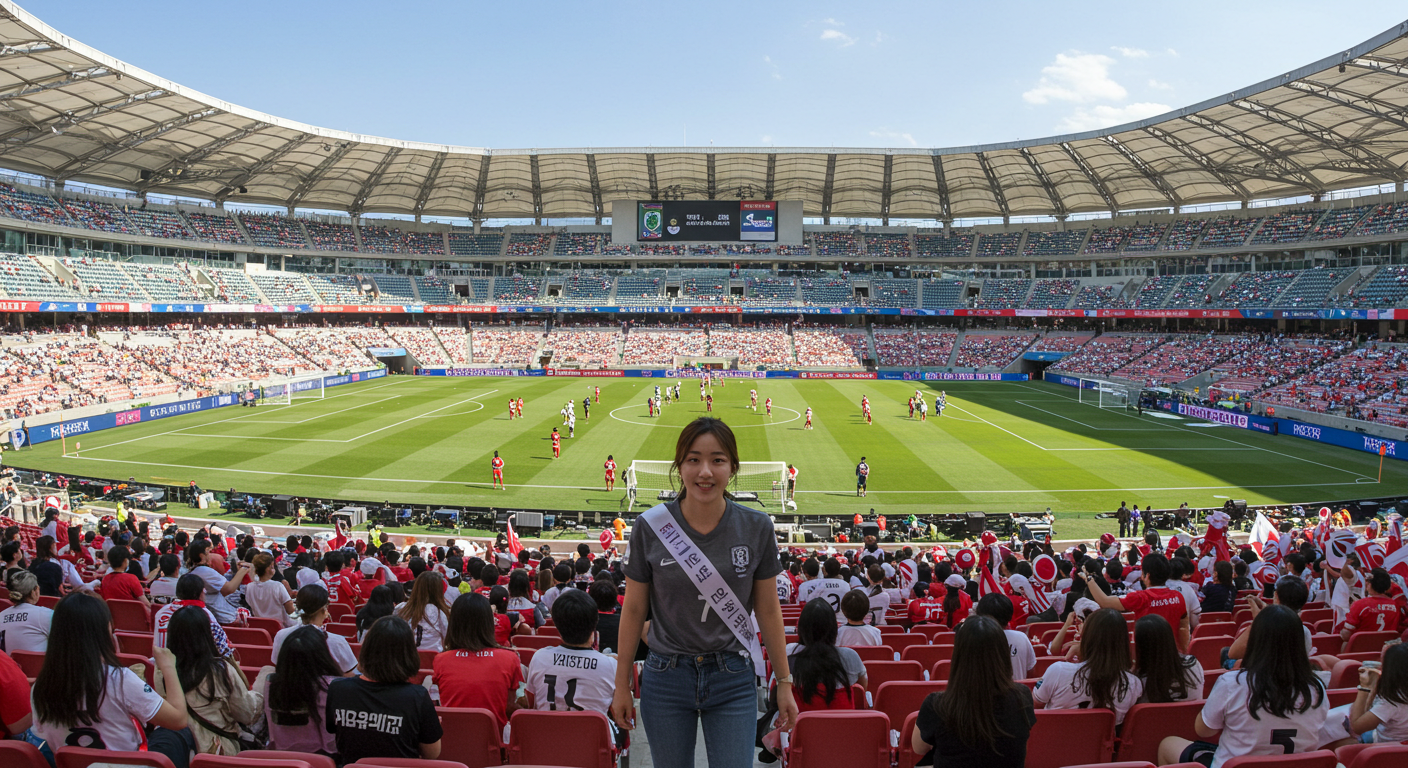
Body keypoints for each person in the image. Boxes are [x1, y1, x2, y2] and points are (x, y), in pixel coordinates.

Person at [611, 417, 796, 767]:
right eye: (693, 459)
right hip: (665, 677)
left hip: (733, 677)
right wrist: (622, 685)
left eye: (718, 460)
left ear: (733, 467)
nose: (705, 472)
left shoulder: (756, 527)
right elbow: (634, 610)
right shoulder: (650, 527)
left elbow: (769, 610)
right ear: (679, 465)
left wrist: (784, 682)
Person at [1157, 605, 1330, 767]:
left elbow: (1203, 731)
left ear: (1256, 641)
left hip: (1233, 764)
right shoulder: (1317, 689)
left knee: (1167, 744)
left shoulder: (1232, 683)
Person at [31, 593, 192, 766]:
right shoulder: (119, 679)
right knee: (179, 733)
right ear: (104, 630)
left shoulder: (40, 688)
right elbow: (179, 720)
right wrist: (168, 667)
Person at [911, 615, 1036, 768]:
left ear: (959, 654)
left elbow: (918, 748)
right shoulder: (1022, 696)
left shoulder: (937, 704)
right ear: (1003, 653)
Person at [325, 616, 442, 763]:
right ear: (408, 654)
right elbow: (432, 754)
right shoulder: (417, 697)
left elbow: (334, 734)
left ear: (367, 649)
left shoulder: (338, 689)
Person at [160, 606, 268, 755]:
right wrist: (258, 693)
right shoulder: (219, 670)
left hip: (181, 749)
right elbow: (247, 714)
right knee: (266, 674)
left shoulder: (162, 671)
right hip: (217, 751)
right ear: (205, 635)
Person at [1033, 608, 1143, 724]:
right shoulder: (1134, 684)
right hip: (1102, 742)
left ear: (1087, 637)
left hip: (1054, 740)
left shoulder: (1058, 670)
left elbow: (1035, 704)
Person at [433, 592, 526, 728]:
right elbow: (509, 706)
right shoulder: (510, 658)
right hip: (495, 745)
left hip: (451, 744)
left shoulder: (440, 660)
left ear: (454, 623)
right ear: (488, 622)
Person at [528, 588, 618, 718]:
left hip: (545, 735)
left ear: (557, 626)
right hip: (593, 737)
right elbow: (619, 711)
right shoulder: (610, 665)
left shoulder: (539, 658)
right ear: (594, 624)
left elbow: (533, 702)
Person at [1080, 552, 1190, 652]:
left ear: (1147, 575)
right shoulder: (1178, 597)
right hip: (1173, 656)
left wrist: (1089, 579)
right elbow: (1184, 628)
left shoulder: (1140, 598)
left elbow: (1104, 601)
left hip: (1147, 658)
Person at [265, 624, 341, 757]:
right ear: (321, 655)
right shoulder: (328, 687)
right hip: (319, 758)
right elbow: (330, 743)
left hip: (280, 756)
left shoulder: (271, 682)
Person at [785, 598, 867, 712]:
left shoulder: (789, 654)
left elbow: (775, 692)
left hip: (801, 728)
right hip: (844, 727)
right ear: (833, 628)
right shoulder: (851, 656)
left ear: (802, 628)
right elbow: (861, 690)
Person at [1324, 641, 1408, 747]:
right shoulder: (1393, 698)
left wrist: (1364, 687)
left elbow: (1356, 727)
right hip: (1399, 742)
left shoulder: (1392, 702)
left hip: (1389, 749)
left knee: (1335, 743)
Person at [272, 585, 358, 675]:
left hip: (291, 687)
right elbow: (349, 674)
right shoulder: (337, 641)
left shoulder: (281, 635)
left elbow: (278, 667)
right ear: (324, 609)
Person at [1132, 614, 1204, 702]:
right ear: (1170, 639)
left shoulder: (1135, 684)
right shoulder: (1193, 665)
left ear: (1140, 647)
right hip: (1191, 716)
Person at [184, 539, 250, 625]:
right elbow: (229, 589)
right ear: (201, 556)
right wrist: (243, 570)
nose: (211, 555)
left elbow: (222, 591)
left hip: (218, 615)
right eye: (208, 552)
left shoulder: (194, 571)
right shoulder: (204, 571)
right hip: (225, 618)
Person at [974, 593, 1036, 680]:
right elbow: (1030, 673)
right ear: (1010, 615)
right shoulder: (1021, 638)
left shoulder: (972, 639)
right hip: (1018, 692)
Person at [1341, 567, 1402, 641]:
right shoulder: (1396, 605)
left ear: (1370, 583)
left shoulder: (1359, 605)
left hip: (1360, 649)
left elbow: (1345, 635)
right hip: (1386, 649)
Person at [397, 572, 452, 652]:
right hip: (433, 659)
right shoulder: (440, 613)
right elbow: (447, 639)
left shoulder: (401, 608)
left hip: (408, 658)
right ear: (439, 591)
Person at [0, 571, 52, 653]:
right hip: (39, 665)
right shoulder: (45, 614)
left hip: (7, 665)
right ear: (35, 590)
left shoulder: (1, 616)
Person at [244, 552, 296, 628]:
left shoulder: (249, 587)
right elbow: (290, 610)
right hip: (279, 627)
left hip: (260, 627)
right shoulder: (277, 586)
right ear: (271, 567)